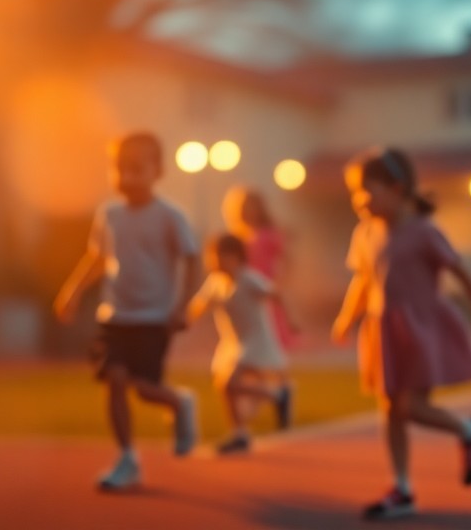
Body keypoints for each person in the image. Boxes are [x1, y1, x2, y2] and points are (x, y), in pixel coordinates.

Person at [331, 147, 471, 521]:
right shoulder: (365, 234)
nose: (358, 200)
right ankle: (401, 487)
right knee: (389, 410)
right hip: (382, 329)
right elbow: (364, 280)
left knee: (411, 407)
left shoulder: (424, 232)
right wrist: (348, 317)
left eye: (366, 190)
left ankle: (469, 428)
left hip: (420, 328)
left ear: (398, 188)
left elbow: (462, 274)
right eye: (353, 193)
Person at [53, 131, 203, 492]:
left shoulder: (170, 216)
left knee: (146, 389)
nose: (127, 177)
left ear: (158, 171)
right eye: (119, 169)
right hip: (115, 316)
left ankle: (180, 402)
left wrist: (183, 306)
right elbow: (98, 258)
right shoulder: (110, 214)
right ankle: (127, 458)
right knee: (115, 380)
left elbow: (194, 261)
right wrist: (73, 291)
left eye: (137, 169)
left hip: (154, 318)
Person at [188, 233, 298, 454]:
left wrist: (291, 322)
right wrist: (181, 321)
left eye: (219, 256)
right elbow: (198, 305)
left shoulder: (249, 279)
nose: (214, 262)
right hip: (233, 343)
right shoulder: (216, 283)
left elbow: (276, 294)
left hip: (256, 341)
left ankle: (274, 398)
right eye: (211, 257)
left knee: (230, 384)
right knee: (224, 386)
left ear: (235, 257)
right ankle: (246, 427)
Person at [222, 186, 298, 351]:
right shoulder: (238, 235)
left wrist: (282, 280)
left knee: (271, 323)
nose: (249, 211)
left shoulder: (269, 233)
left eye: (252, 207)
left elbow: (287, 258)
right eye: (245, 207)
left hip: (265, 283)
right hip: (244, 286)